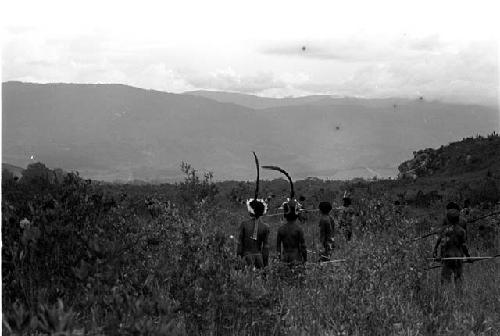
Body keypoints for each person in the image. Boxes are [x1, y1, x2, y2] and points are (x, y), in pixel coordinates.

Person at [261, 165, 307, 264]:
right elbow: (303, 246)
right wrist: (305, 260)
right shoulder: (298, 229)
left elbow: (278, 249)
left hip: (284, 259)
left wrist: (278, 260)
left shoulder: (281, 229)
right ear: (296, 215)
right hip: (297, 259)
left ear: (285, 215)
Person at [237, 152, 270, 269]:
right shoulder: (265, 227)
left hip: (246, 259)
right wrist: (265, 265)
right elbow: (265, 248)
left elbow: (240, 244)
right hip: (259, 259)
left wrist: (238, 261)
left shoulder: (244, 225)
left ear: (250, 211)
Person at [433, 202, 471, 285]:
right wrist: (468, 257)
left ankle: (447, 297)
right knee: (458, 278)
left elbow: (442, 243)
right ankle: (459, 296)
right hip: (459, 257)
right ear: (458, 218)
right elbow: (464, 244)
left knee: (445, 280)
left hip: (447, 257)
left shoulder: (444, 230)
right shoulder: (462, 231)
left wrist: (438, 255)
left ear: (448, 219)